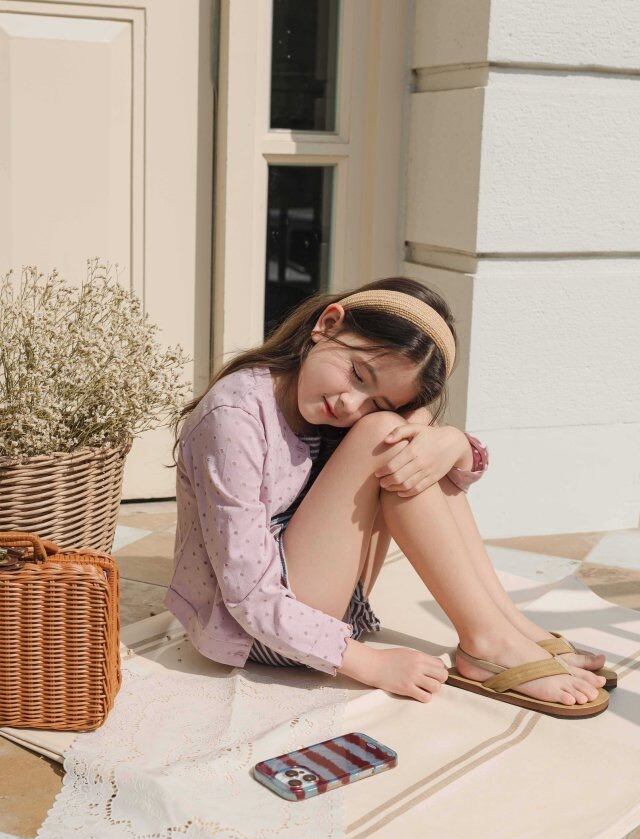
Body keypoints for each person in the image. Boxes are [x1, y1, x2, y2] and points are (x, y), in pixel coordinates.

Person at [165, 276, 607, 711]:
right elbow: (248, 596)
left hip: (321, 593)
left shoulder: (339, 404)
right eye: (358, 373)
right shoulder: (235, 414)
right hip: (256, 629)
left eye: (375, 400)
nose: (350, 403)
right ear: (327, 324)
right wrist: (370, 664)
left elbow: (445, 462)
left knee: (414, 437)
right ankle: (488, 640)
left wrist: (451, 442)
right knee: (385, 435)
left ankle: (507, 626)